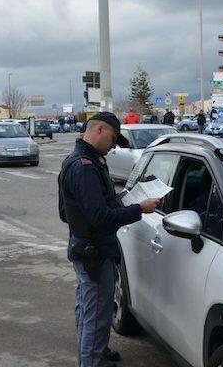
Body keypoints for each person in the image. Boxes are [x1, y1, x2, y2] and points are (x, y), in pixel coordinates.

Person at [59, 112, 159, 367]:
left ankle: (97, 353)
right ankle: (92, 361)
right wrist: (140, 209)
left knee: (91, 308)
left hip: (86, 246)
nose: (113, 146)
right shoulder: (85, 167)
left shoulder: (82, 160)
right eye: (113, 139)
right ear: (100, 130)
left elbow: (66, 212)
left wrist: (126, 197)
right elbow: (100, 217)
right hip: (93, 251)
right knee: (95, 313)